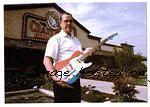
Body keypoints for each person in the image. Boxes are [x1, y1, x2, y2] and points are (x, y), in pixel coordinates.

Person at [43, 12, 86, 103]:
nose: (69, 23)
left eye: (71, 21)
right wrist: (55, 78)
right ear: (60, 23)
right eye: (66, 21)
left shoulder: (77, 41)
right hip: (61, 79)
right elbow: (47, 60)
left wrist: (86, 54)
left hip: (75, 79)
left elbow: (78, 60)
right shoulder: (55, 39)